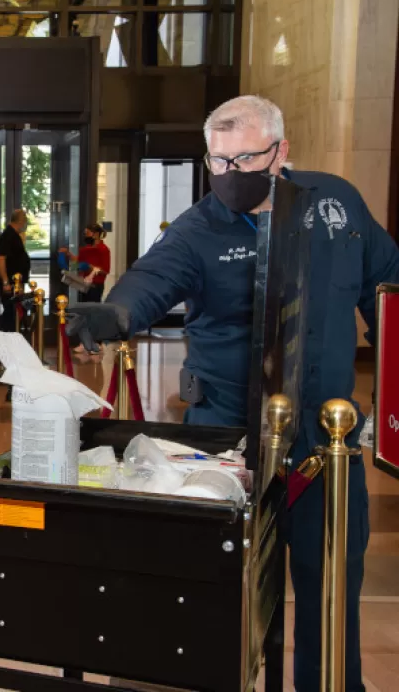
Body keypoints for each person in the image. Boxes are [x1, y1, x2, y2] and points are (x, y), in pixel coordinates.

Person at [67, 95, 399, 691]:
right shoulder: (200, 228)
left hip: (327, 442)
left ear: (281, 151)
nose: (228, 175)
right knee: (222, 585)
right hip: (228, 438)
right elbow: (150, 279)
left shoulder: (336, 205)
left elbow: (387, 284)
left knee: (331, 582)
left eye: (243, 160)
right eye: (217, 162)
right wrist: (112, 314)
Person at [0, 208, 31, 332]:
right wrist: (6, 281)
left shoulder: (15, 235)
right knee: (10, 312)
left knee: (14, 312)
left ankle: (12, 336)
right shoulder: (8, 235)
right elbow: (1, 259)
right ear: (21, 221)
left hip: (16, 283)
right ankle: (5, 338)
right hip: (10, 283)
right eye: (25, 220)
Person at [64, 222, 111, 302]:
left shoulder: (103, 249)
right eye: (85, 233)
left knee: (92, 309)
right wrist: (68, 254)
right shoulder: (85, 249)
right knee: (82, 308)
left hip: (95, 286)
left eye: (87, 233)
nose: (85, 236)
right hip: (83, 283)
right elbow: (78, 261)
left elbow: (105, 271)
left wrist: (90, 267)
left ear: (95, 234)